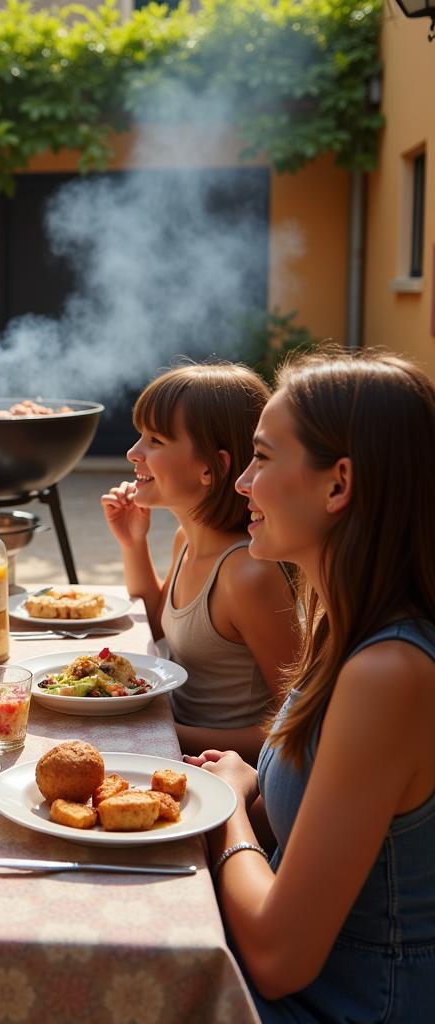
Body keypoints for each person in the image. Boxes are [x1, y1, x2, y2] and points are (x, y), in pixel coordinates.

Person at [188, 349, 435, 1021]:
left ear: (338, 485)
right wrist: (249, 787)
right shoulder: (341, 625)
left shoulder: (391, 673)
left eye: (263, 458)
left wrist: (226, 807)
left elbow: (276, 957)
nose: (241, 482)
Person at [101, 363, 300, 761]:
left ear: (212, 467)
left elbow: (295, 727)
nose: (133, 453)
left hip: (223, 778)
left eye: (155, 440)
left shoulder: (247, 574)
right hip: (175, 742)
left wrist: (161, 732)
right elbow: (162, 627)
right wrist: (133, 543)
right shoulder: (187, 541)